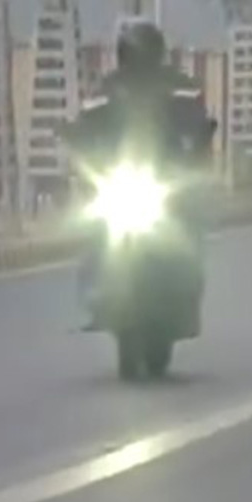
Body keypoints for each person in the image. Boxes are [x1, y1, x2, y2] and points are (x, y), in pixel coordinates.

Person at [70, 19, 215, 329]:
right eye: (134, 54)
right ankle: (96, 289)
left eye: (144, 54)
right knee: (94, 226)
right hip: (120, 176)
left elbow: (200, 124)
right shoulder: (107, 89)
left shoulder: (180, 87)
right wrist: (76, 142)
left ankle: (187, 288)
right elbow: (85, 127)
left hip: (166, 177)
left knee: (191, 220)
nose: (139, 61)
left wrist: (198, 143)